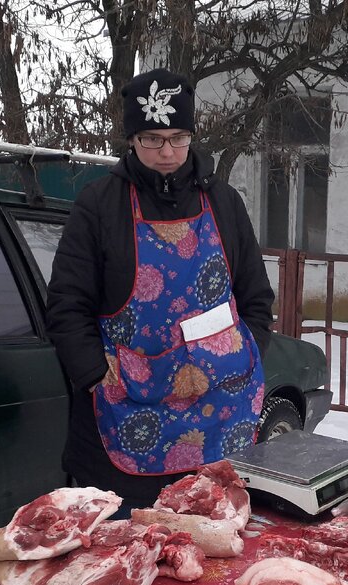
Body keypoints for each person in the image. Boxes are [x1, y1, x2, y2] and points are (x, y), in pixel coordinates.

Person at [46, 68, 275, 511]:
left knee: (208, 557)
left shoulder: (224, 202)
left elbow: (255, 298)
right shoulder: (98, 204)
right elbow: (66, 305)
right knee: (130, 552)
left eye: (178, 137)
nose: (166, 151)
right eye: (152, 139)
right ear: (132, 139)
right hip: (126, 413)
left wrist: (244, 356)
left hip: (218, 412)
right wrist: (95, 378)